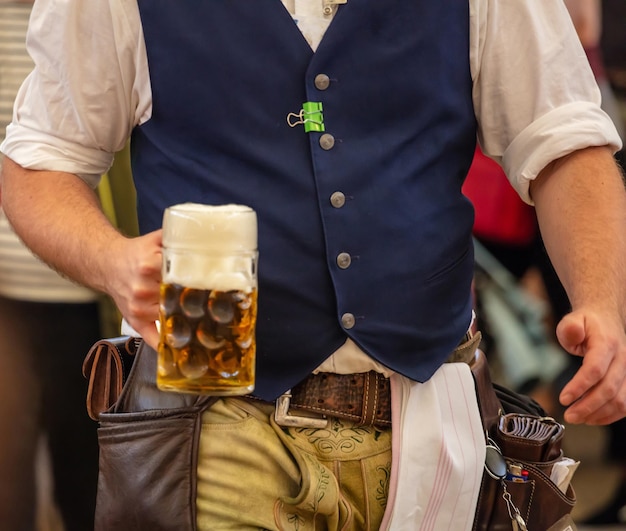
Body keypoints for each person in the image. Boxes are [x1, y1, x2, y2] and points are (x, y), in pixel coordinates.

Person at [1, 1, 626, 529]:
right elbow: (40, 157)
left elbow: (563, 137)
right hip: (219, 414)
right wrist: (113, 261)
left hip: (432, 413)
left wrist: (602, 300)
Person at [0, 1, 101, 530]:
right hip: (5, 297)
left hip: (88, 295)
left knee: (90, 475)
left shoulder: (94, 15)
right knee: (6, 481)